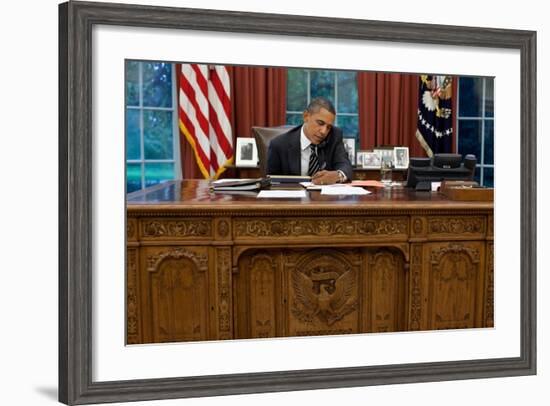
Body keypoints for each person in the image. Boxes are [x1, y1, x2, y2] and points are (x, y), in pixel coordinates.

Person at [266, 97, 353, 185]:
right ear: (306, 116)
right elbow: (271, 183)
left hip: (324, 197)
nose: (324, 131)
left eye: (328, 127)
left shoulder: (334, 136)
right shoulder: (279, 145)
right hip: (293, 197)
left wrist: (337, 175)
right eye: (320, 123)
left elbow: (345, 166)